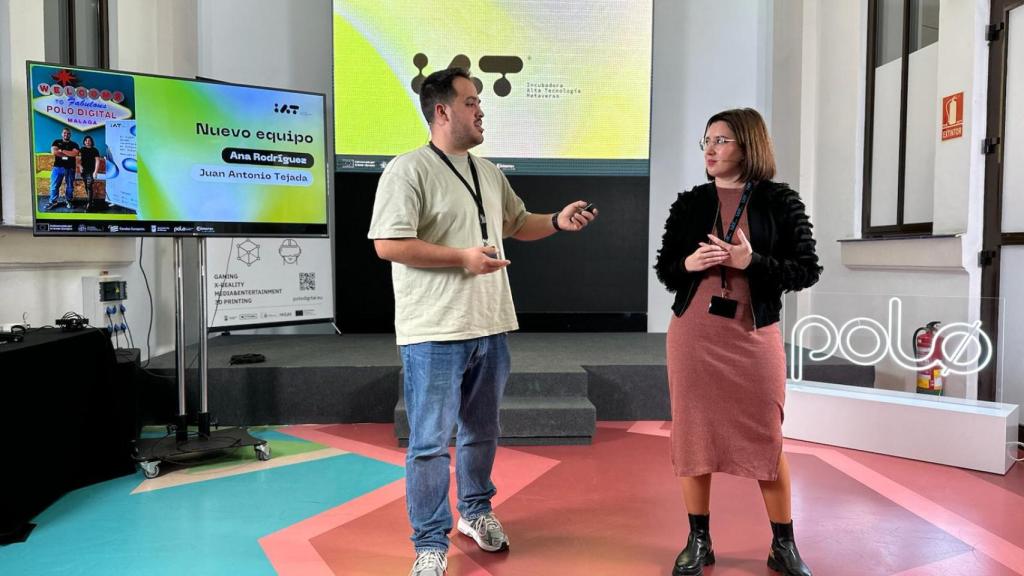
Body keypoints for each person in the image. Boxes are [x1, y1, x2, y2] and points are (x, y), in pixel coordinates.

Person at [368, 67, 597, 576]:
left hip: (490, 324)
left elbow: (518, 223)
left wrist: (558, 221)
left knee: (482, 430)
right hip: (435, 330)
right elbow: (388, 244)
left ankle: (476, 512)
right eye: (471, 101)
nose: (481, 109)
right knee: (429, 443)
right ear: (442, 110)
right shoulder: (407, 171)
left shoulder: (488, 170)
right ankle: (429, 542)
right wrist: (461, 259)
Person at [654, 108, 821, 576]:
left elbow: (806, 270)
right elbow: (666, 268)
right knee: (693, 434)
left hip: (753, 333)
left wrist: (753, 263)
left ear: (748, 146)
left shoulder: (780, 201)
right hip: (694, 334)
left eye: (721, 140)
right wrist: (689, 264)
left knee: (766, 435)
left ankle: (783, 545)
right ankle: (699, 539)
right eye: (706, 140)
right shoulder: (690, 203)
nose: (709, 149)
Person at [46, 127, 79, 211]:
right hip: (57, 168)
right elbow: (54, 152)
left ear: (70, 135)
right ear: (62, 134)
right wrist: (68, 154)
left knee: (70, 187)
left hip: (70, 168)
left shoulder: (74, 144)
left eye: (68, 133)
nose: (66, 134)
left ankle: (69, 201)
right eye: (65, 133)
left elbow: (75, 153)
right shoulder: (56, 142)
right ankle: (53, 202)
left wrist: (62, 150)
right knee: (54, 186)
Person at [78, 135, 102, 212]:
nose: (87, 142)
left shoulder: (95, 150)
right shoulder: (82, 149)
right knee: (86, 186)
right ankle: (91, 201)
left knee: (89, 186)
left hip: (91, 171)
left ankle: (89, 204)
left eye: (89, 141)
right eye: (86, 141)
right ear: (84, 142)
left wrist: (95, 171)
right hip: (84, 171)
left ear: (91, 142)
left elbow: (98, 161)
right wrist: (79, 166)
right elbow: (78, 159)